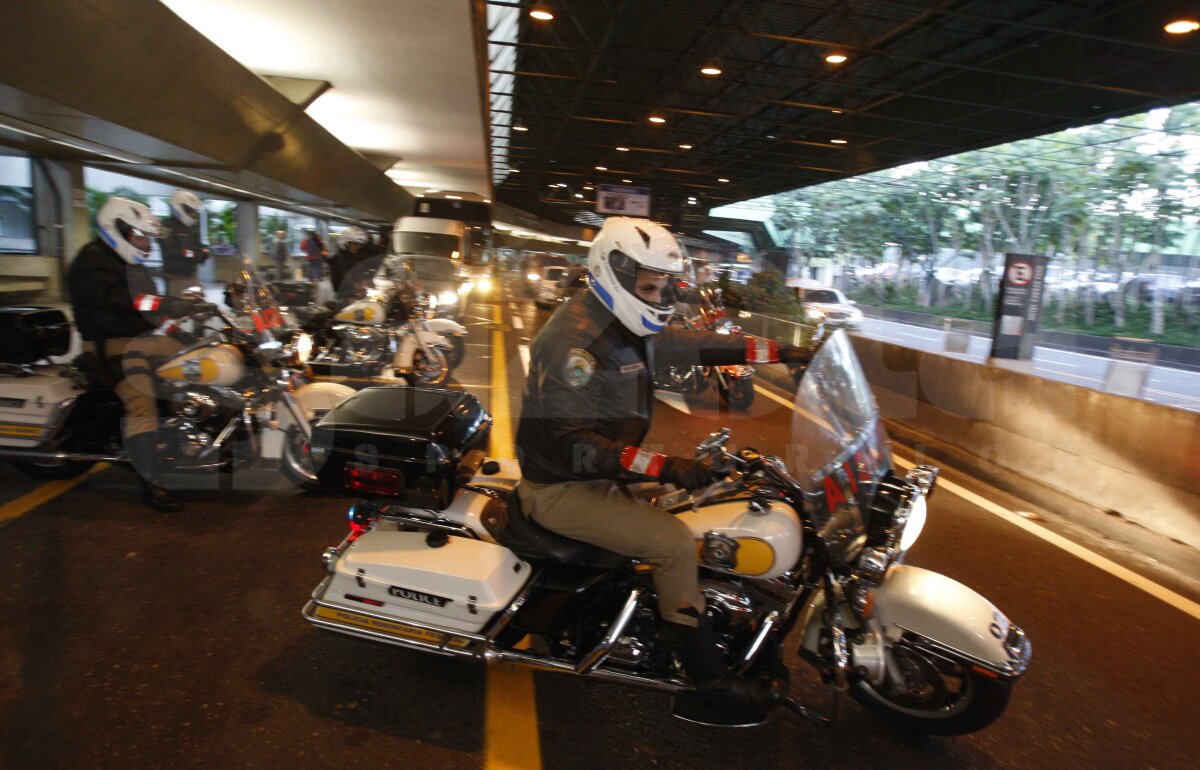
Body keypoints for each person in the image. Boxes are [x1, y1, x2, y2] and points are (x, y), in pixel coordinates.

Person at [515, 217, 812, 726]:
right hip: (564, 485)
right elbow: (572, 445)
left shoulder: (621, 321)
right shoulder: (576, 344)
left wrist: (782, 351)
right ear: (614, 273)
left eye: (664, 285)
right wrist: (665, 466)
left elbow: (700, 345)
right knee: (674, 543)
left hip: (603, 471)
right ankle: (709, 682)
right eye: (649, 286)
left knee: (719, 499)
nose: (658, 296)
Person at [68, 197, 203, 512]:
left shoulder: (132, 263)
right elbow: (125, 300)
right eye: (140, 236)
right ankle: (152, 481)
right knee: (139, 398)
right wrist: (167, 304)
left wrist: (180, 321)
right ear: (118, 229)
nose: (145, 243)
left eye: (147, 238)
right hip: (111, 343)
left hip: (140, 338)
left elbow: (149, 305)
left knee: (202, 355)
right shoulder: (92, 262)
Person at [160, 189, 210, 296]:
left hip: (192, 275)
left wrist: (205, 251)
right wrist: (194, 254)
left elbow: (199, 246)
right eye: (189, 210)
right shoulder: (166, 226)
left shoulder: (192, 227)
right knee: (179, 307)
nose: (192, 213)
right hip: (175, 278)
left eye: (193, 211)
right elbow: (170, 251)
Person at [328, 226, 372, 301]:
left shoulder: (356, 256)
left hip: (355, 293)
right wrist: (356, 286)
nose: (357, 246)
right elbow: (344, 275)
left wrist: (367, 281)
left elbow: (360, 271)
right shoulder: (339, 258)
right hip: (344, 295)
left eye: (358, 244)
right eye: (355, 244)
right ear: (347, 243)